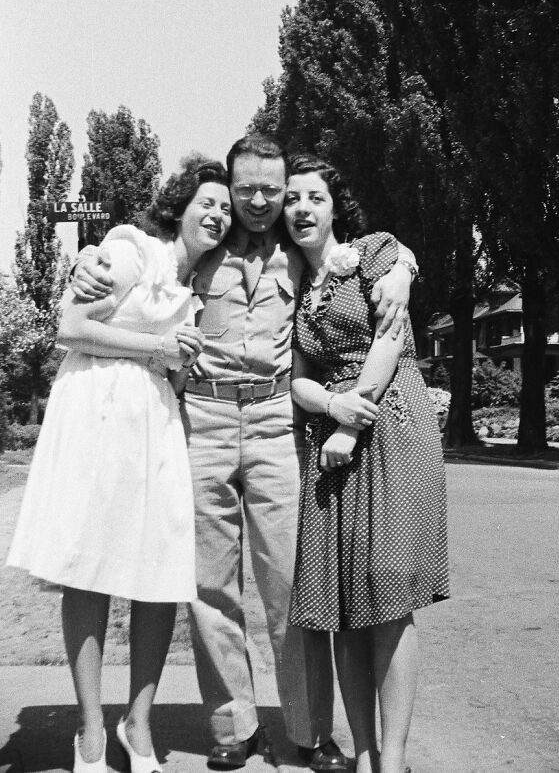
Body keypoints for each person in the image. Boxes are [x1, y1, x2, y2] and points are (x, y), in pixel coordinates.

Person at [70, 134, 417, 772]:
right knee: (209, 585)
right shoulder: (200, 243)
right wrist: (89, 257)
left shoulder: (302, 250)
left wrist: (403, 265)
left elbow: (375, 253)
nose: (259, 201)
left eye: (272, 190)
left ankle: (311, 732)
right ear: (228, 189)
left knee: (290, 582)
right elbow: (137, 259)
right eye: (246, 189)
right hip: (199, 417)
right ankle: (233, 724)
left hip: (274, 418)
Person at [7, 163, 232, 773]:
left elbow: (176, 372)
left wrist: (179, 359)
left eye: (225, 208)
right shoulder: (132, 252)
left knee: (158, 567)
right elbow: (70, 328)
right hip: (98, 410)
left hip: (153, 420)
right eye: (206, 202)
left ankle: (139, 725)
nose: (217, 214)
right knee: (91, 567)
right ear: (179, 207)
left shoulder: (198, 287)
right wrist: (156, 348)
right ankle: (90, 732)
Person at [283, 154, 449, 773]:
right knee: (343, 606)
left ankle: (394, 760)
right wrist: (330, 404)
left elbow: (390, 339)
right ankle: (364, 753)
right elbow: (299, 380)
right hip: (331, 432)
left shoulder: (377, 253)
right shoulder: (299, 289)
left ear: (334, 207)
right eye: (292, 198)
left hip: (390, 423)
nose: (302, 208)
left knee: (388, 600)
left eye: (315, 197)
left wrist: (350, 427)